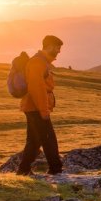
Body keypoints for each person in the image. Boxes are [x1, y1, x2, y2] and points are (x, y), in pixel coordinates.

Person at [15, 35, 64, 176]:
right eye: (57, 48)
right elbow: (37, 89)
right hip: (36, 107)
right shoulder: (38, 63)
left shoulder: (42, 62)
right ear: (48, 47)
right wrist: (44, 110)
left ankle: (23, 170)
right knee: (49, 138)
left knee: (34, 140)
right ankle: (56, 170)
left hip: (33, 107)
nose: (59, 51)